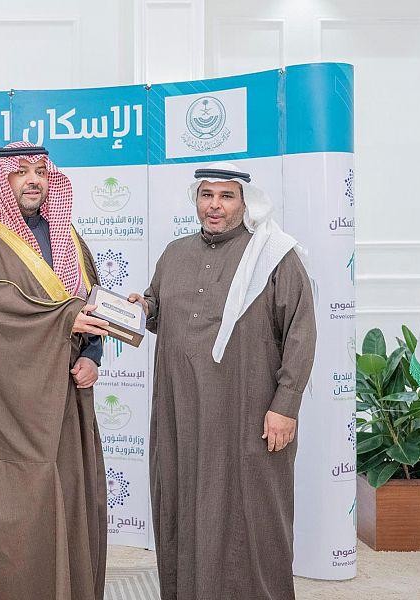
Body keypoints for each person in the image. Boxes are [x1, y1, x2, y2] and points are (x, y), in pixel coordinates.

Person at [0, 141, 109, 600]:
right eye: (21, 171)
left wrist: (92, 355)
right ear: (2, 179)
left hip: (63, 399)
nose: (33, 181)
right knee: (10, 515)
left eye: (41, 172)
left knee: (68, 501)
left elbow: (90, 303)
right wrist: (61, 321)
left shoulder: (69, 237)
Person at [128, 162, 316, 599]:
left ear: (246, 202)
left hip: (247, 413)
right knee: (184, 504)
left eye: (226, 196)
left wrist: (285, 406)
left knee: (252, 513)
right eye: (206, 195)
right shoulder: (175, 254)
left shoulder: (275, 255)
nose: (214, 206)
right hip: (182, 414)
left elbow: (301, 333)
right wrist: (142, 307)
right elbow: (159, 307)